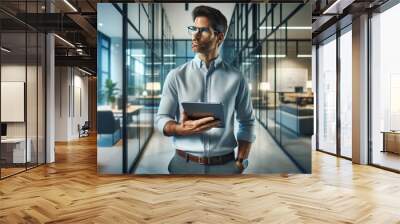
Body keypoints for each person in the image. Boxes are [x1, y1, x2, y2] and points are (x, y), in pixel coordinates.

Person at [155, 5, 255, 174]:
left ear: (219, 36)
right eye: (193, 29)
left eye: (203, 30)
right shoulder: (176, 76)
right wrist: (179, 129)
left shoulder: (236, 78)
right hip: (183, 164)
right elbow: (161, 119)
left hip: (225, 166)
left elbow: (247, 122)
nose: (195, 35)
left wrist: (240, 161)